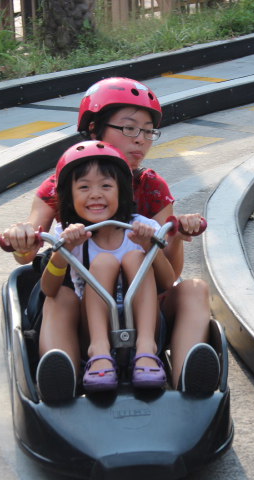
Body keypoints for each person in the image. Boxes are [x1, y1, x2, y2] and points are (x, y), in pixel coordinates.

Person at [1, 77, 219, 400]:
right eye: (129, 128)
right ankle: (62, 375)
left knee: (195, 289)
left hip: (144, 301)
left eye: (148, 131)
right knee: (58, 298)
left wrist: (172, 235)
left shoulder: (153, 188)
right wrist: (22, 237)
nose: (141, 140)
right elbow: (30, 244)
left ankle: (188, 376)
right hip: (84, 307)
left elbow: (168, 278)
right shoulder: (65, 182)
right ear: (94, 131)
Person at [42, 141, 176, 394]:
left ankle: (147, 351)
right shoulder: (67, 235)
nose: (95, 194)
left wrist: (149, 246)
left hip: (142, 326)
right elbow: (48, 289)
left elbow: (168, 282)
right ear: (69, 196)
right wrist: (64, 251)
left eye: (106, 186)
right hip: (90, 331)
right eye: (83, 187)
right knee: (102, 262)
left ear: (122, 192)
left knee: (135, 258)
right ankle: (98, 353)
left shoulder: (141, 227)